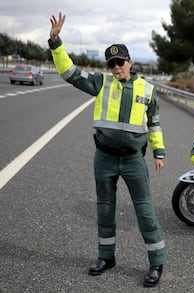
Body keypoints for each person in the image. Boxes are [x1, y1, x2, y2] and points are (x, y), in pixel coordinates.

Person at [48, 12, 167, 287]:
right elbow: (70, 73)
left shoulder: (147, 90)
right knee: (105, 209)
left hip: (134, 160)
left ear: (130, 62)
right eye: (112, 64)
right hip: (104, 158)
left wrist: (159, 153)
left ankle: (156, 262)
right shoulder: (102, 83)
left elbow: (155, 124)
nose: (116, 68)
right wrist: (56, 43)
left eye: (120, 62)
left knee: (146, 212)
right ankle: (106, 256)